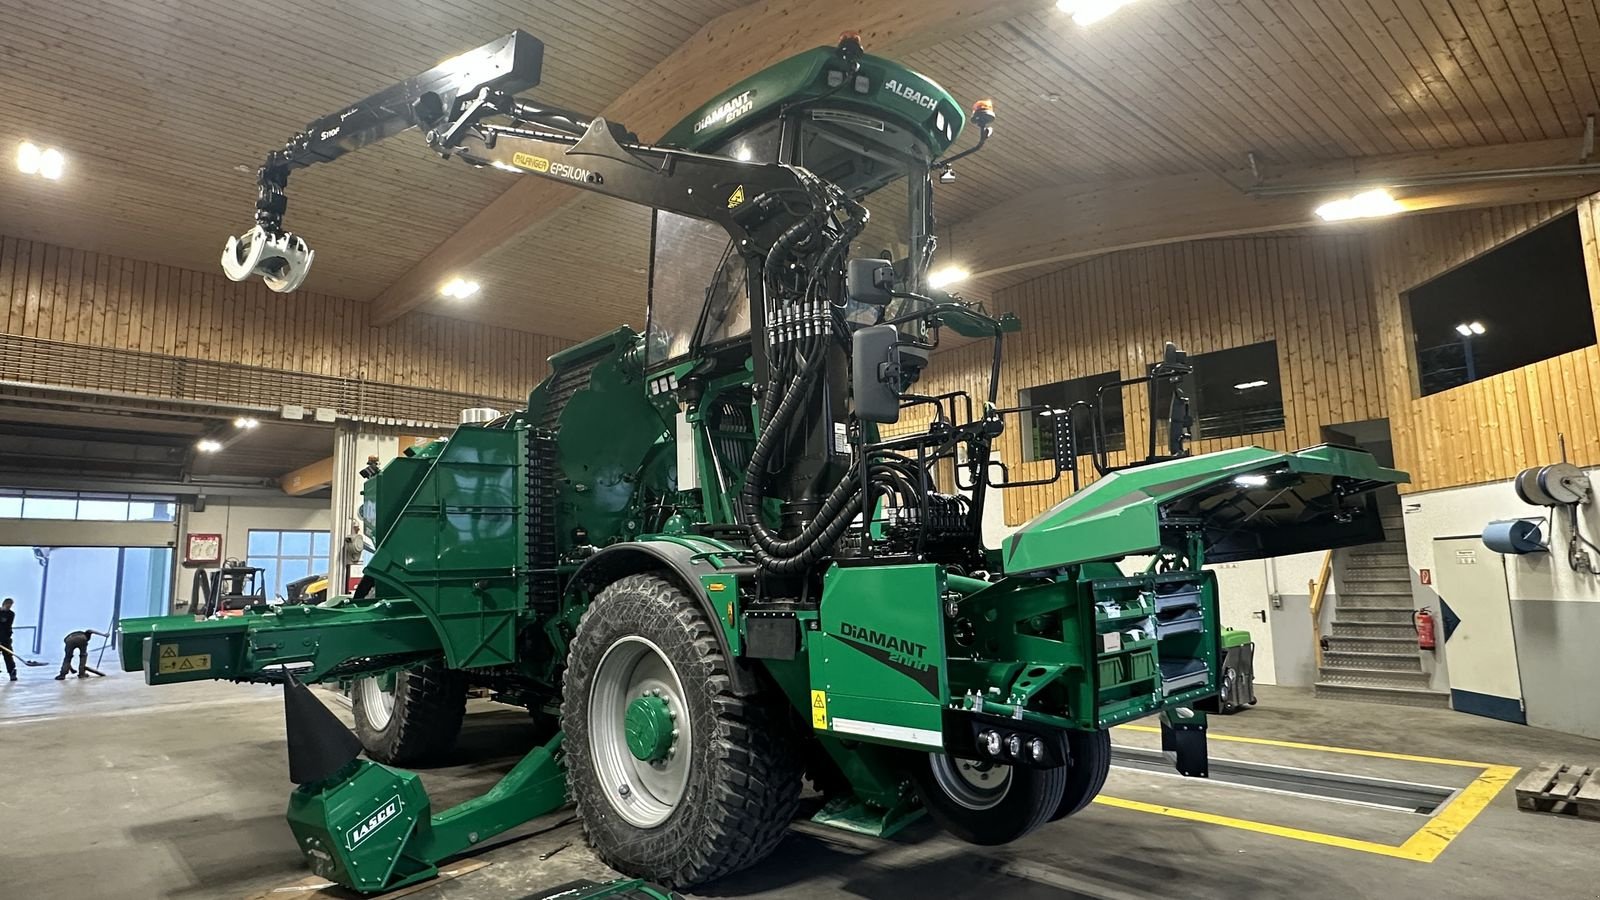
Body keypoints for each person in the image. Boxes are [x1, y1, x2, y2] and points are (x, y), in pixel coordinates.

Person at [0, 598, 16, 681]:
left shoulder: (11, 614)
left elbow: (7, 627)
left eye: (10, 605)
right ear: (4, 604)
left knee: (8, 656)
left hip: (5, 639)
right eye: (8, 605)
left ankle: (12, 673)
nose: (9, 606)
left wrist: (5, 639)